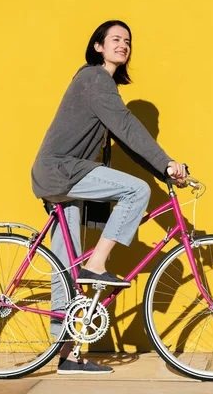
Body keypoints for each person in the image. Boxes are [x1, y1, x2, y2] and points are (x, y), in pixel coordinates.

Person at [31, 20, 186, 375]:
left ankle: (67, 355)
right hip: (62, 171)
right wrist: (166, 163)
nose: (123, 45)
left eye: (127, 41)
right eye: (115, 39)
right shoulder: (94, 78)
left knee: (65, 272)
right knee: (138, 189)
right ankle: (97, 265)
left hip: (63, 175)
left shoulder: (100, 85)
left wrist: (165, 169)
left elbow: (125, 143)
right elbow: (129, 128)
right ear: (98, 46)